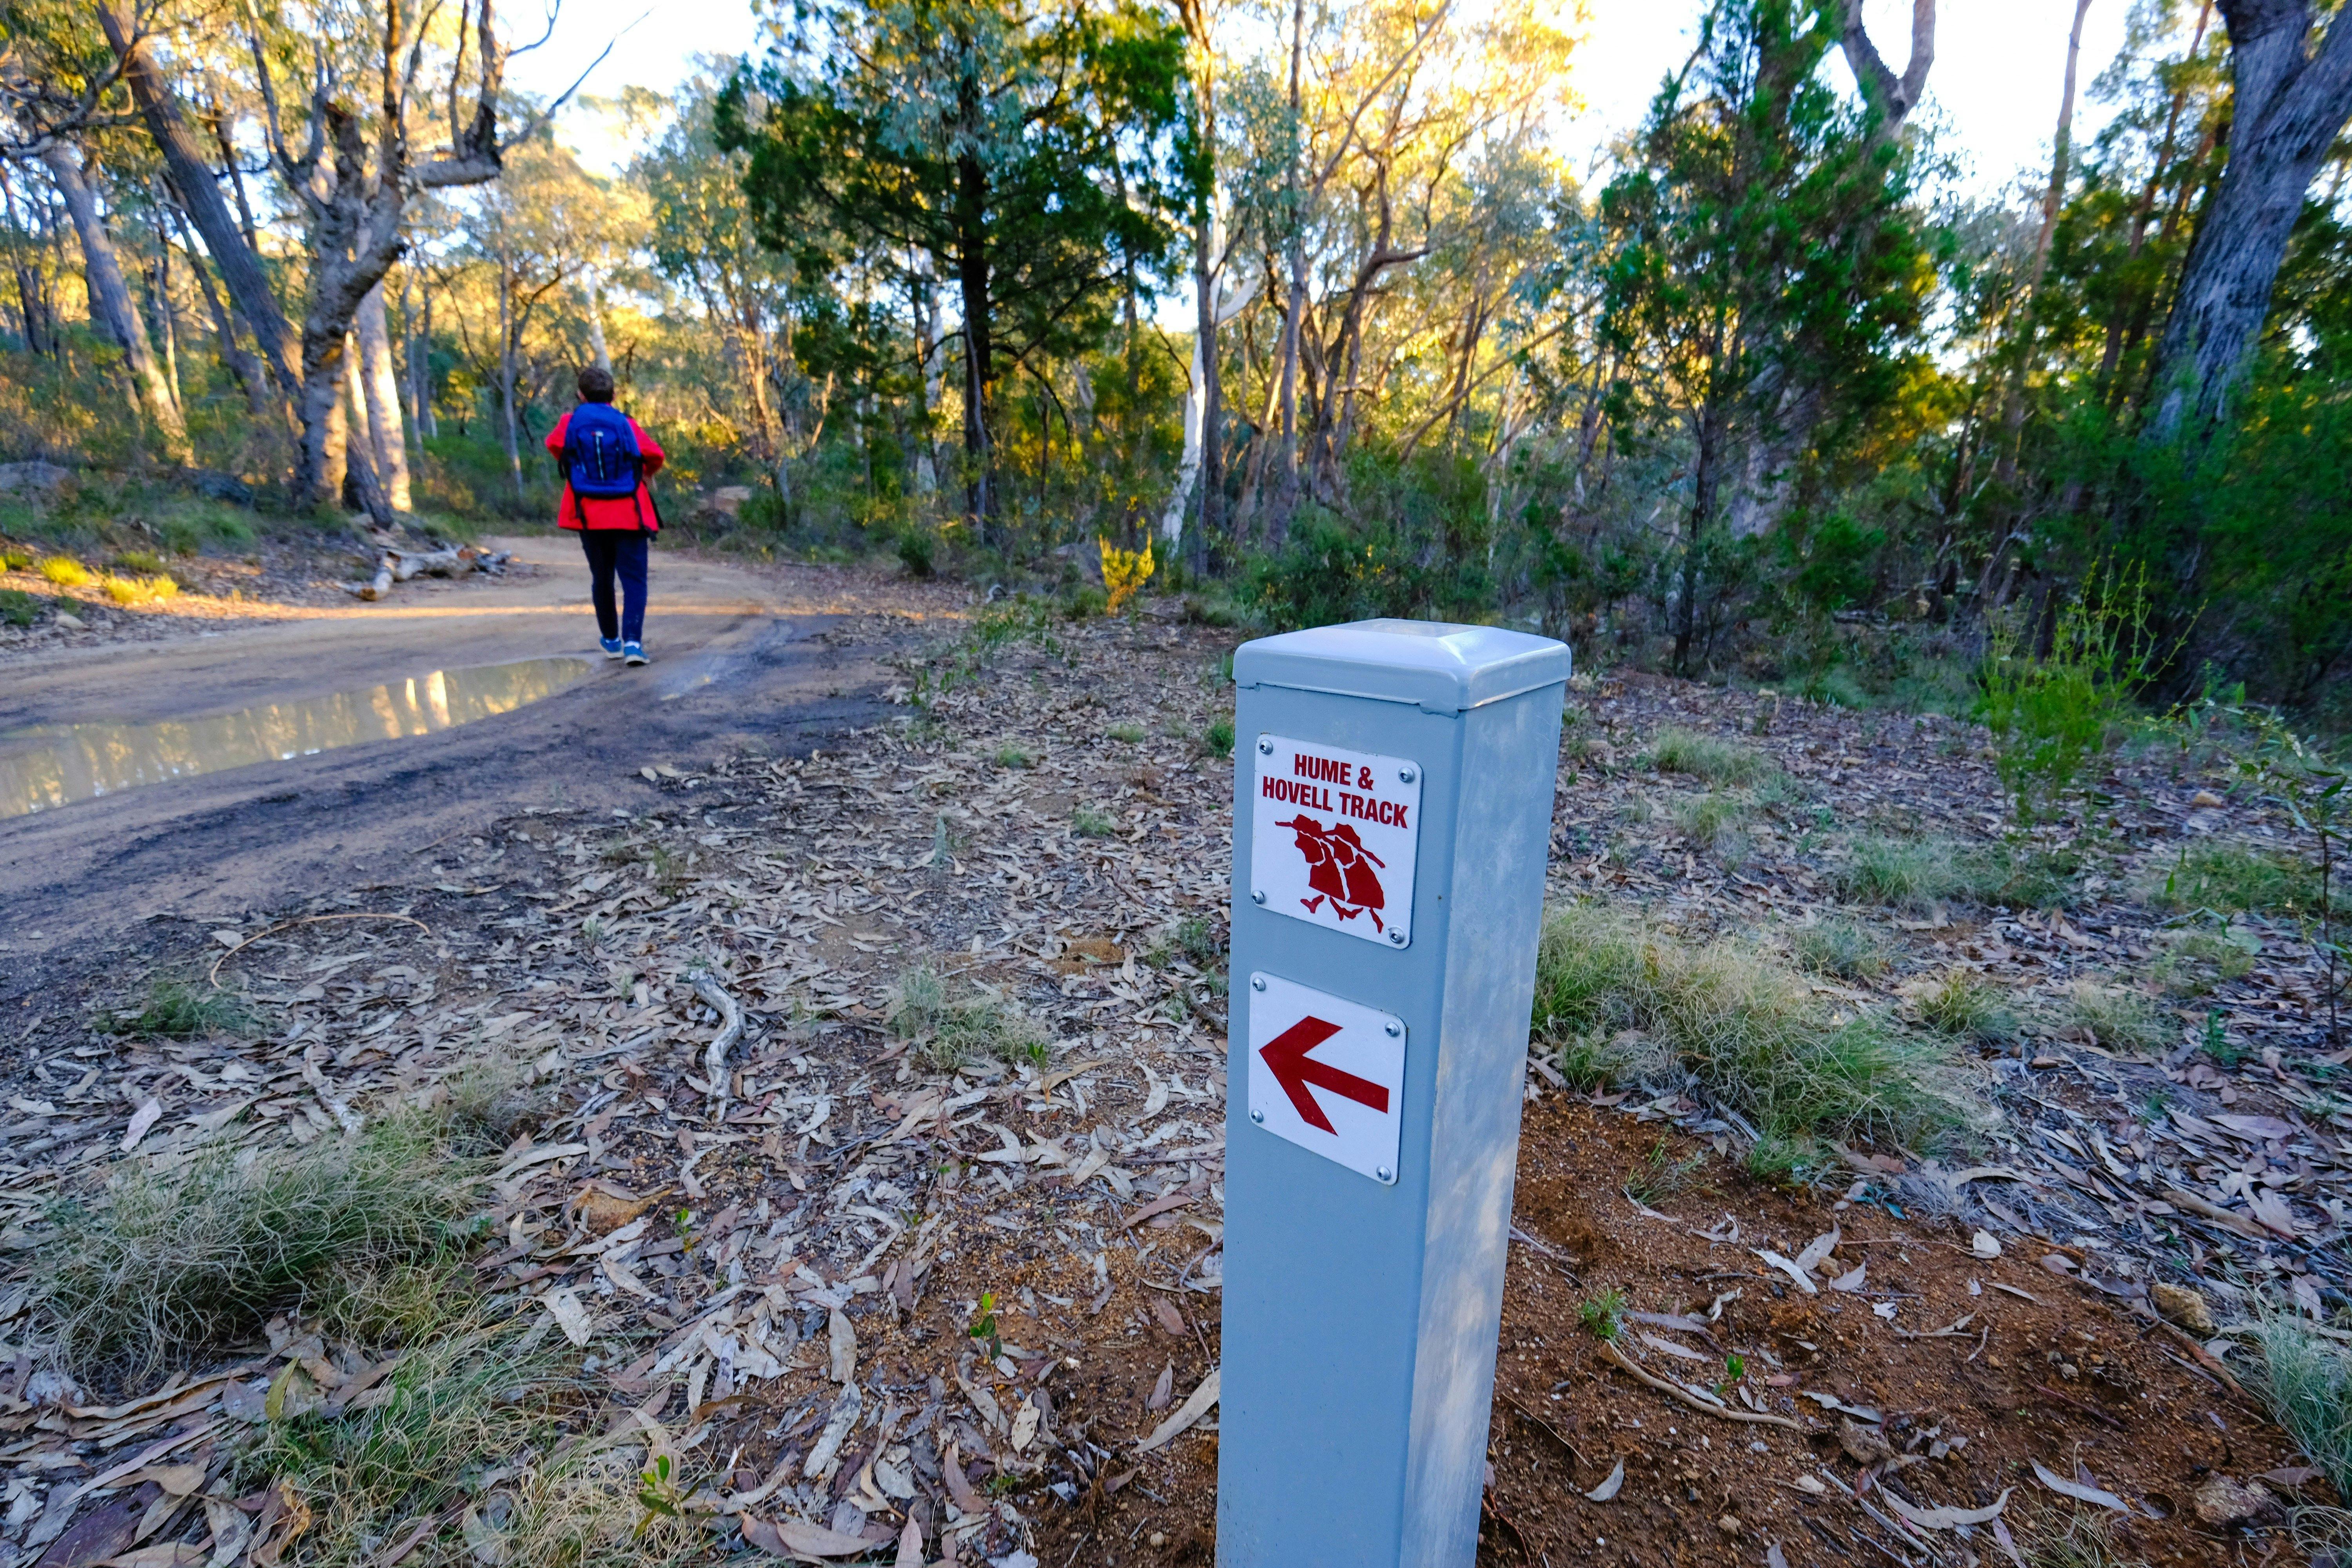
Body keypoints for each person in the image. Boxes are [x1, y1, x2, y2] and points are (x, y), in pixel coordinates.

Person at [546, 364, 664, 664]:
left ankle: (611, 640)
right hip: (630, 514)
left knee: (602, 577)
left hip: (589, 515)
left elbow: (555, 445)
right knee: (634, 580)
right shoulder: (627, 424)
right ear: (614, 394)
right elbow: (656, 455)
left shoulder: (570, 423)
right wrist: (643, 473)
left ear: (580, 394)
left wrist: (580, 467)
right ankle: (634, 646)